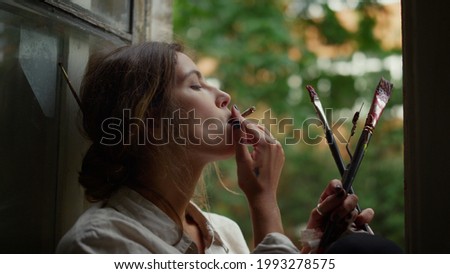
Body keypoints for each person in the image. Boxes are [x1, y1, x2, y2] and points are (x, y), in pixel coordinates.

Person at [56, 41, 376, 254]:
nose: (223, 95)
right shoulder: (101, 243)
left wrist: (314, 242)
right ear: (147, 120)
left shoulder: (226, 232)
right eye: (196, 85)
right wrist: (265, 203)